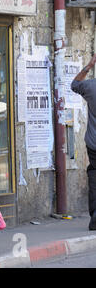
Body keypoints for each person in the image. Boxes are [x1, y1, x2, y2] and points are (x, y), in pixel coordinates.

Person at [71, 53, 96, 231]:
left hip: (93, 143)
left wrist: (89, 65)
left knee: (94, 174)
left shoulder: (91, 86)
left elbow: (74, 84)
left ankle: (95, 216)